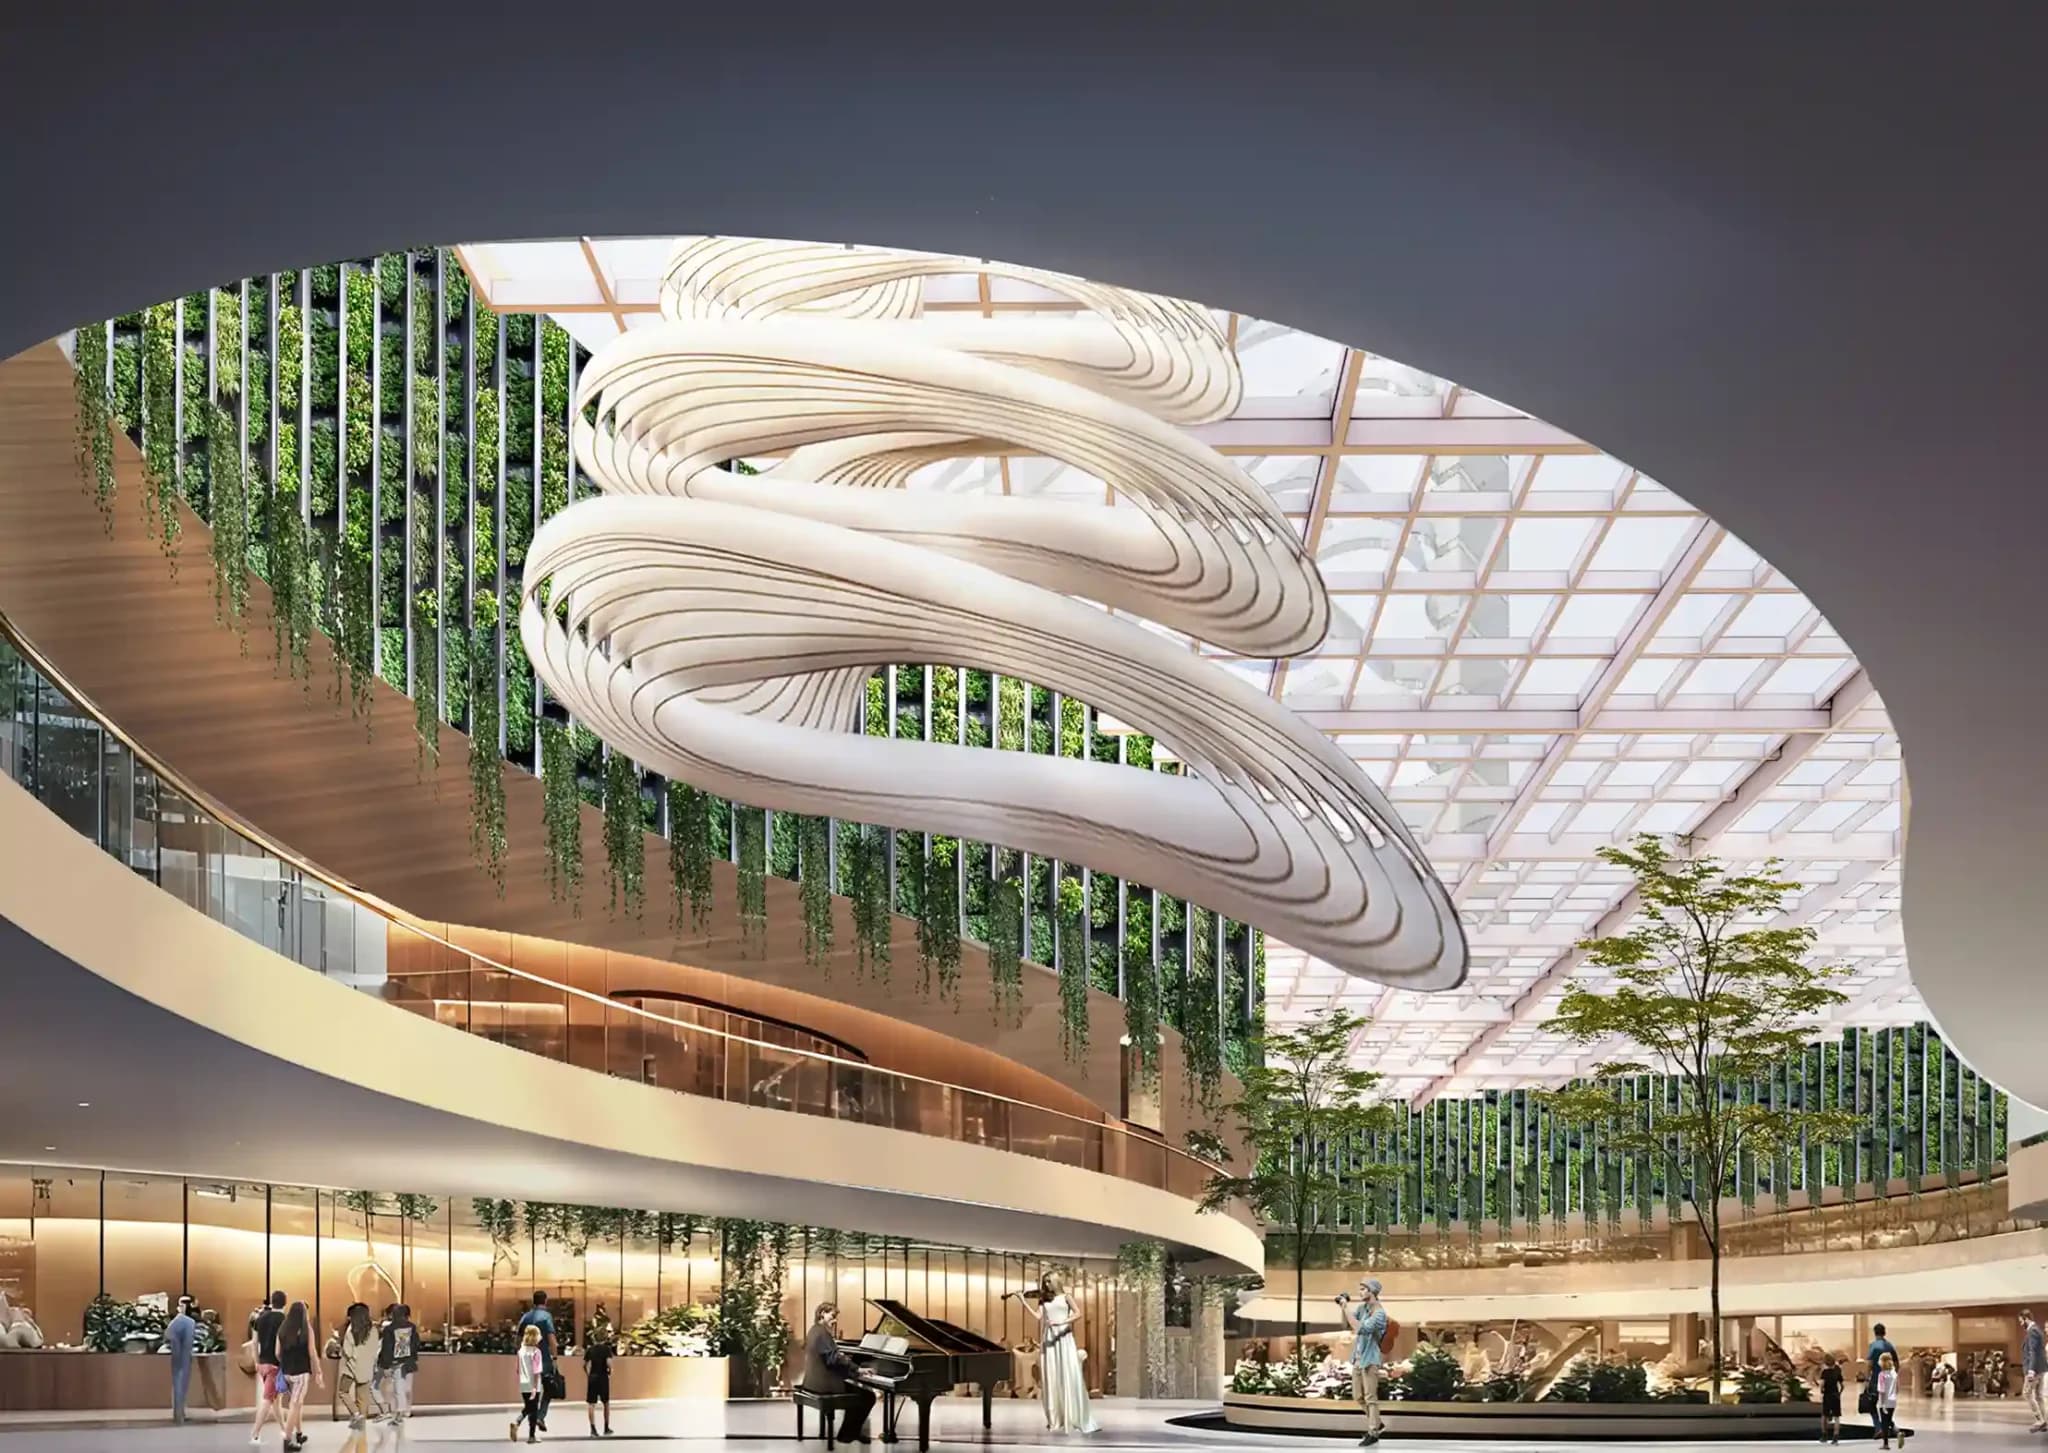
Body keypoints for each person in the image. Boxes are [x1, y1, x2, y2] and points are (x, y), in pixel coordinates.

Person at [1014, 1272, 1098, 1434]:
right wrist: (1023, 1301)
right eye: (1044, 1282)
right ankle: (1055, 1418)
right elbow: (1039, 1317)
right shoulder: (1044, 1299)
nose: (1046, 1284)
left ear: (1055, 1281)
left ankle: (1073, 1415)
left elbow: (1078, 1314)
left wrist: (1062, 1321)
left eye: (1049, 1281)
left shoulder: (1066, 1296)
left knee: (1068, 1373)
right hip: (1049, 1338)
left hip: (1064, 1336)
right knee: (1051, 1375)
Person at [801, 1303, 875, 1443]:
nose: (834, 1321)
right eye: (832, 1316)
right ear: (822, 1313)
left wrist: (852, 1371)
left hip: (813, 1381)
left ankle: (850, 1432)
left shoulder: (814, 1330)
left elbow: (832, 1359)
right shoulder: (822, 1333)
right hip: (824, 1385)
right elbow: (833, 1359)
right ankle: (847, 1435)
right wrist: (857, 1370)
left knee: (857, 1391)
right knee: (867, 1396)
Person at [1335, 1278, 1388, 1447]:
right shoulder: (1362, 1308)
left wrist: (1345, 1307)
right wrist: (1344, 1308)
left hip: (1370, 1360)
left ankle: (1373, 1432)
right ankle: (1378, 1423)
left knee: (1370, 1398)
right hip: (1358, 1359)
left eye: (1363, 1289)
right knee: (1358, 1396)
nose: (1360, 1292)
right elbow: (1349, 1323)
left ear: (1372, 1291)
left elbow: (1361, 1329)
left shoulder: (1379, 1313)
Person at [276, 1300, 322, 1451]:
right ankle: (287, 1440)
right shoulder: (306, 1329)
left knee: (297, 1404)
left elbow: (277, 1352)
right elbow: (312, 1353)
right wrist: (318, 1371)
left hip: (287, 1373)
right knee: (295, 1406)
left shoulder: (282, 1328)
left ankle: (299, 1433)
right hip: (301, 1373)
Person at [249, 1290, 288, 1446]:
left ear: (272, 1302)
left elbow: (254, 1342)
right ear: (285, 1303)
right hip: (276, 1365)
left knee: (275, 1400)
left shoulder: (261, 1318)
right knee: (268, 1400)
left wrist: (256, 1362)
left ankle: (284, 1429)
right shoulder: (284, 1320)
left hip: (263, 1363)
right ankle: (255, 1434)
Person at [518, 1292, 559, 1432]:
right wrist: (555, 1358)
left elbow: (517, 1339)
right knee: (548, 1389)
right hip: (544, 1359)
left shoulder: (525, 1316)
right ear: (545, 1301)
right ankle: (540, 1416)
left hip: (528, 1359)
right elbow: (552, 1340)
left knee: (532, 1393)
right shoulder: (546, 1316)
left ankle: (525, 1423)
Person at [337, 1303, 378, 1430]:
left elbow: (348, 1352)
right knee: (363, 1398)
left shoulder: (351, 1330)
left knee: (343, 1391)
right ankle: (362, 1422)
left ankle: (356, 1414)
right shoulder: (373, 1330)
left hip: (351, 1367)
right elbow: (375, 1349)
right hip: (367, 1367)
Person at [378, 1302, 420, 1423]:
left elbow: (387, 1348)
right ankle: (405, 1410)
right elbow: (416, 1343)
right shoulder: (412, 1327)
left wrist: (385, 1364)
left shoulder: (389, 1329)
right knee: (406, 1388)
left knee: (395, 1388)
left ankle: (397, 1411)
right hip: (409, 1361)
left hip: (395, 1362)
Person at [165, 1296, 198, 1425]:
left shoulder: (179, 1320)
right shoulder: (187, 1321)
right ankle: (179, 1415)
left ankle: (179, 1414)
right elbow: (171, 1335)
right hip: (183, 1356)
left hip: (179, 1356)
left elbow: (168, 1334)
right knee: (180, 1385)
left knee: (179, 1384)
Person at [513, 1322, 546, 1444]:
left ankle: (524, 1428)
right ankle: (527, 1432)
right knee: (533, 1410)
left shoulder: (521, 1351)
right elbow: (537, 1371)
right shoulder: (536, 1352)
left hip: (523, 1383)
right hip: (533, 1384)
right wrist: (535, 1387)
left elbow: (517, 1369)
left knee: (529, 1407)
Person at [585, 1308, 615, 1438]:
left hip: (593, 1377)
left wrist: (588, 1375)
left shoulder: (590, 1350)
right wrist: (610, 1372)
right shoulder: (606, 1349)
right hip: (603, 1377)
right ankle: (606, 1427)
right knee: (606, 1403)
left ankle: (592, 1429)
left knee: (591, 1404)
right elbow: (609, 1364)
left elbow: (585, 1365)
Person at [1874, 1352, 1899, 1450]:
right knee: (1888, 1421)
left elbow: (1882, 1390)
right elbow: (1897, 1388)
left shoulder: (1882, 1375)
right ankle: (1897, 1431)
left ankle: (1886, 1444)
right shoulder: (1894, 1374)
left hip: (1884, 1401)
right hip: (1893, 1401)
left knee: (1884, 1423)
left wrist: (1882, 1403)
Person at [1819, 1354, 1843, 1444]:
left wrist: (1821, 1390)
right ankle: (1836, 1436)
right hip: (1835, 1395)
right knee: (1837, 1416)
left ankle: (1824, 1435)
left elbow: (1822, 1384)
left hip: (1827, 1395)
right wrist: (1839, 1393)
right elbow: (1842, 1385)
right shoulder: (1837, 1371)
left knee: (1824, 1415)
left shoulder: (1824, 1372)